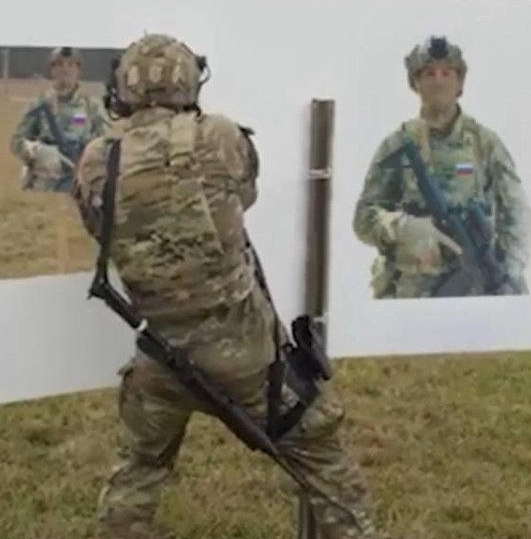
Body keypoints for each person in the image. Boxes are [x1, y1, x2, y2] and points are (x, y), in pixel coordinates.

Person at [72, 33, 380, 539]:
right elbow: (244, 195)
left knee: (138, 471)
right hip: (246, 356)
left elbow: (97, 223)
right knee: (322, 456)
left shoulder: (97, 158)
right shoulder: (220, 136)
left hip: (161, 352)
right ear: (189, 80)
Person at [353, 36, 531, 298]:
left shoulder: (485, 144)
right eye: (429, 73)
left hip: (478, 290)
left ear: (459, 83)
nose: (438, 81)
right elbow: (364, 218)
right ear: (416, 82)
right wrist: (403, 227)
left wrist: (509, 273)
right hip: (411, 295)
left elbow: (517, 214)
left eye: (447, 73)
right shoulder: (398, 144)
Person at [10, 46, 111, 193]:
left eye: (71, 65)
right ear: (52, 71)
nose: (65, 70)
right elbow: (17, 141)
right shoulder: (39, 104)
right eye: (60, 65)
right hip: (45, 183)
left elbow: (106, 143)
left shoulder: (92, 106)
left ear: (78, 70)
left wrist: (90, 157)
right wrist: (36, 152)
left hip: (81, 179)